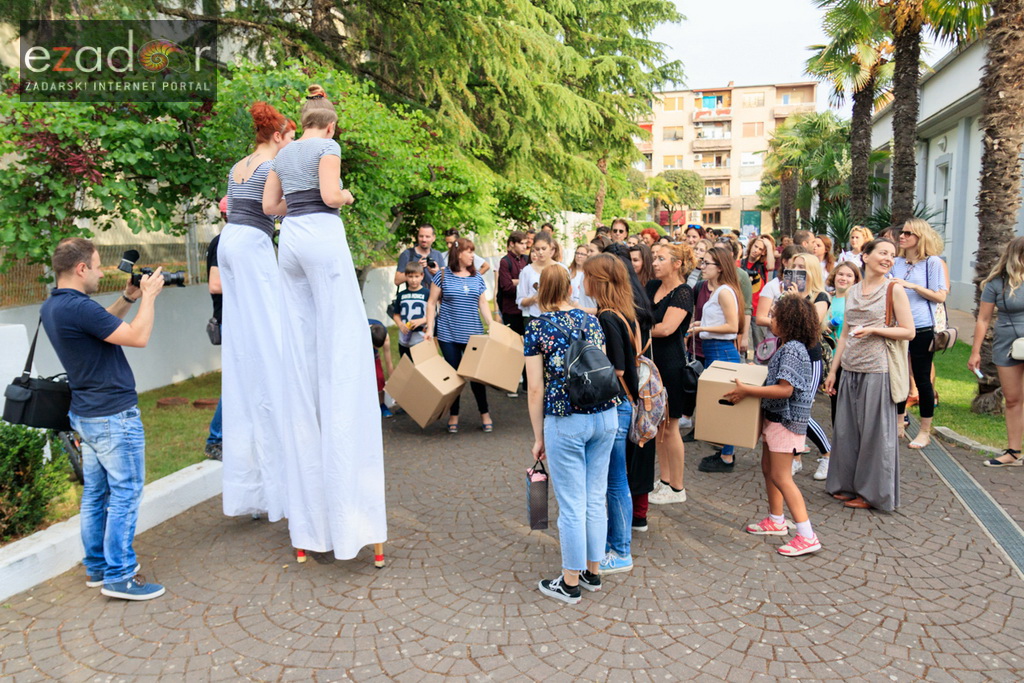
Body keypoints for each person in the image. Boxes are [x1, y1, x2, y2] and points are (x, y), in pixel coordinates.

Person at [264, 83, 386, 563]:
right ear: (331, 125)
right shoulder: (328, 146)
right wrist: (349, 195)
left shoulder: (285, 151)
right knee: (341, 348)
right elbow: (332, 195)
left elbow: (271, 208)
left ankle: (308, 530)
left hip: (289, 241)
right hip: (321, 236)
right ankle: (352, 522)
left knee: (302, 351)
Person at [41, 237, 166, 600]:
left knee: (96, 494)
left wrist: (129, 298)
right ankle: (120, 576)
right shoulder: (78, 307)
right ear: (81, 269)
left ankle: (97, 567)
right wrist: (151, 297)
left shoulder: (55, 305)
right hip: (112, 415)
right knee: (126, 493)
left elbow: (102, 327)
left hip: (87, 413)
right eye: (95, 266)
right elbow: (137, 337)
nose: (99, 273)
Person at [217, 103, 295, 522]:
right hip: (250, 245)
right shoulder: (273, 165)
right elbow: (272, 208)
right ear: (279, 136)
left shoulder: (238, 164)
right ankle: (280, 487)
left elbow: (235, 204)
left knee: (247, 341)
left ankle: (255, 488)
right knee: (269, 345)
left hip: (230, 241)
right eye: (290, 137)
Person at [524, 267, 617, 604]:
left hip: (566, 419)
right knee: (595, 498)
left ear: (541, 290)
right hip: (604, 415)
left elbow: (535, 389)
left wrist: (539, 437)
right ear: (569, 287)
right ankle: (593, 571)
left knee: (572, 504)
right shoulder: (591, 321)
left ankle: (569, 582)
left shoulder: (537, 328)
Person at [724, 295, 823, 556]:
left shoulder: (792, 349)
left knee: (781, 476)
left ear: (789, 321)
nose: (771, 320)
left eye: (776, 316)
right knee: (769, 469)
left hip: (786, 421)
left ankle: (807, 535)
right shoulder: (790, 346)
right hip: (778, 419)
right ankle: (776, 520)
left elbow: (785, 390)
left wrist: (748, 390)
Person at [824, 238, 915, 511]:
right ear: (865, 256)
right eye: (883, 253)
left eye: (892, 255)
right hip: (851, 368)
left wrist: (875, 330)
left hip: (879, 369)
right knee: (847, 430)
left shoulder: (893, 289)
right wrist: (833, 370)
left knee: (875, 434)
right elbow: (842, 338)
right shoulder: (852, 291)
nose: (888, 258)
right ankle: (847, 485)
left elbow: (908, 331)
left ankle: (872, 493)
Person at [585, 254, 641, 575]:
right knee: (615, 480)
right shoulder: (622, 312)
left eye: (588, 275)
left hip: (616, 405)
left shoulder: (607, 318)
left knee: (615, 481)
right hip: (626, 404)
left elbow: (617, 367)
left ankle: (620, 551)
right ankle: (614, 545)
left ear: (598, 281)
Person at [425, 237, 494, 432]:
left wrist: (492, 325)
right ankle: (453, 415)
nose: (473, 255)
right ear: (459, 254)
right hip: (449, 334)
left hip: (474, 335)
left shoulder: (477, 277)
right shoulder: (442, 276)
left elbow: (482, 304)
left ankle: (485, 413)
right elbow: (431, 303)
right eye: (469, 251)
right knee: (453, 377)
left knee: (477, 377)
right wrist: (430, 329)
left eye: (473, 251)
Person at [890, 218, 948, 448]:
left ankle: (924, 430)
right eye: (901, 233)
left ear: (919, 238)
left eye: (907, 234)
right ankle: (897, 423)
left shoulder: (932, 263)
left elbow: (940, 296)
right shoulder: (897, 262)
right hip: (898, 327)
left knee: (922, 379)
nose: (901, 237)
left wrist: (912, 286)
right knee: (898, 376)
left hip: (922, 326)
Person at [644, 244, 695, 502]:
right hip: (651, 363)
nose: (654, 262)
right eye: (654, 257)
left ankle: (677, 487)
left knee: (671, 425)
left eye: (661, 258)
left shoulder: (684, 292)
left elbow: (666, 328)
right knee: (659, 427)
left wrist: (637, 332)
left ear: (676, 264)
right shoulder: (652, 287)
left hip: (671, 364)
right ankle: (664, 480)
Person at [969, 236, 1024, 466]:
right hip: (1007, 345)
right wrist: (975, 352)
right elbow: (983, 319)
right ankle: (1013, 452)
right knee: (1012, 399)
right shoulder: (996, 283)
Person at [693, 247, 744, 473]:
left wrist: (702, 327)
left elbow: (733, 327)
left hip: (722, 350)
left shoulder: (724, 291)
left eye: (707, 263)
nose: (702, 267)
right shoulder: (718, 290)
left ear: (720, 267)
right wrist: (700, 327)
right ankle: (725, 451)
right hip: (714, 349)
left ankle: (727, 455)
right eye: (702, 263)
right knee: (721, 402)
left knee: (726, 404)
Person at [786, 253, 833, 476]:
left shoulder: (820, 296)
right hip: (788, 357)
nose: (796, 269)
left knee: (801, 410)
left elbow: (810, 325)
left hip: (810, 358)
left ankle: (827, 454)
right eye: (793, 265)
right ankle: (795, 457)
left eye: (802, 267)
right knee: (789, 409)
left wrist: (796, 301)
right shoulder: (787, 295)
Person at [823, 261, 862, 473]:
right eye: (840, 274)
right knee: (836, 408)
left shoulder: (854, 300)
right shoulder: (828, 298)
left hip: (849, 360)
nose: (843, 278)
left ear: (855, 280)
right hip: (831, 361)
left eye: (849, 276)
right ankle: (837, 457)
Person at [498, 231, 530, 396]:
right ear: (512, 244)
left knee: (527, 348)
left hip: (525, 311)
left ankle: (526, 384)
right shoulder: (505, 262)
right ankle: (511, 385)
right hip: (510, 310)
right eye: (522, 243)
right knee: (512, 349)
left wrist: (517, 281)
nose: (525, 246)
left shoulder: (526, 260)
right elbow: (506, 287)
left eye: (526, 243)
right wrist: (524, 281)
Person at [517, 231, 568, 321]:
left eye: (544, 248)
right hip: (535, 317)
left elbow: (568, 295)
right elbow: (521, 300)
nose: (540, 252)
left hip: (558, 316)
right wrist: (534, 299)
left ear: (551, 248)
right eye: (537, 249)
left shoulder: (562, 269)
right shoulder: (527, 271)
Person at [204, 228, 223, 462]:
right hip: (230, 319)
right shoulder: (223, 241)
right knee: (236, 382)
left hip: (240, 320)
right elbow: (215, 284)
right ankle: (215, 440)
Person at [741, 236, 776, 349]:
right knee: (741, 343)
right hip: (742, 308)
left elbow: (771, 266)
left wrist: (769, 247)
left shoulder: (763, 265)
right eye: (755, 246)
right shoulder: (739, 263)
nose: (756, 250)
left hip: (758, 309)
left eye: (761, 249)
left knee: (760, 345)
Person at [391, 261, 429, 358]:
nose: (413, 280)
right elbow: (396, 314)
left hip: (421, 337)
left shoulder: (427, 293)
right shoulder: (401, 295)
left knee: (422, 367)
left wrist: (422, 320)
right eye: (410, 276)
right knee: (407, 367)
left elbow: (434, 314)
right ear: (406, 276)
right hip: (404, 338)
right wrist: (400, 324)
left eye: (416, 276)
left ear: (422, 276)